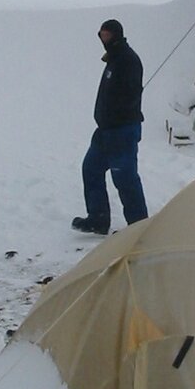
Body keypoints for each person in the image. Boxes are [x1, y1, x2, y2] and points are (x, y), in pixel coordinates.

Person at [72, 19, 148, 234]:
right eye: (101, 36)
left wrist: (117, 115)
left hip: (123, 131)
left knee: (125, 178)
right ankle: (98, 219)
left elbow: (132, 94)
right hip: (105, 131)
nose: (104, 40)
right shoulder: (113, 59)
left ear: (116, 35)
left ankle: (138, 226)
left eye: (107, 36)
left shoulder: (128, 60)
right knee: (91, 168)